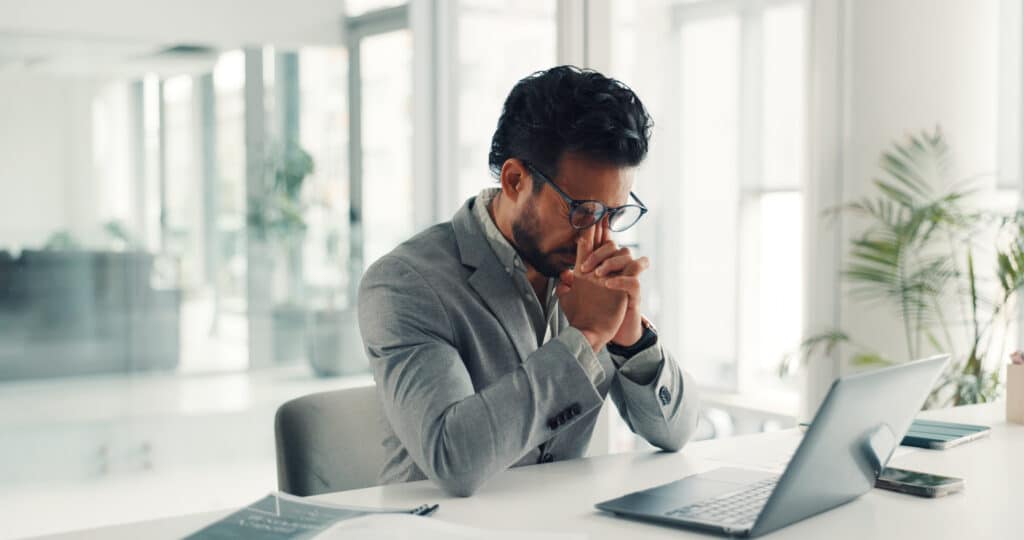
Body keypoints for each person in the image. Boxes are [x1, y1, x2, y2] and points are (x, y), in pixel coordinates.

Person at [358, 65, 700, 497]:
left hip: (563, 519)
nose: (597, 236)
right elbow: (454, 459)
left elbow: (676, 432)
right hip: (439, 524)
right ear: (515, 180)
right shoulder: (404, 284)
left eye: (613, 214)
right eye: (582, 211)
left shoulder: (590, 274)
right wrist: (587, 335)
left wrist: (630, 340)